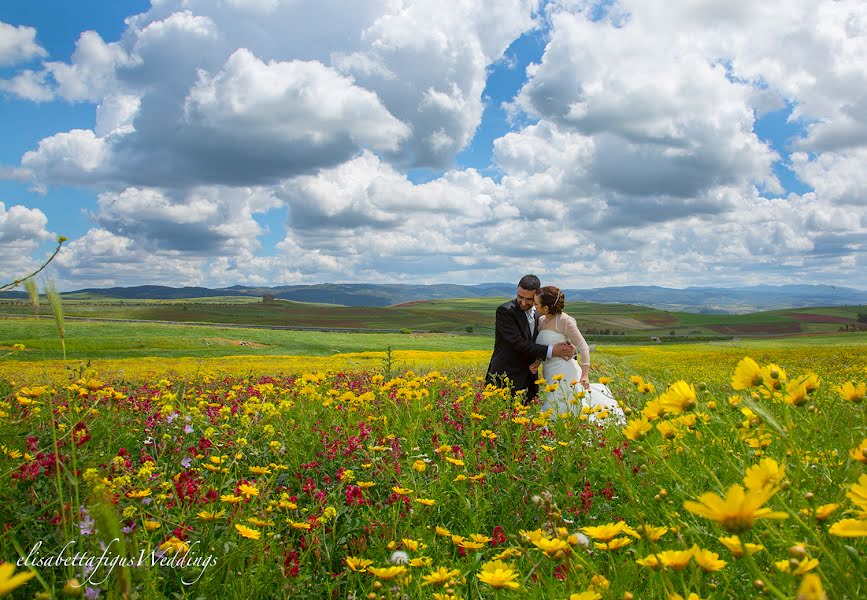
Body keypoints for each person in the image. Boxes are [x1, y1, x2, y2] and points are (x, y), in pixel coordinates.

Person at [485, 275, 576, 401]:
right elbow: (518, 343)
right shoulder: (505, 312)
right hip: (505, 376)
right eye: (520, 297)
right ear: (517, 290)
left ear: (537, 295)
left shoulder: (541, 314)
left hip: (529, 378)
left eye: (528, 299)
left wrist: (569, 350)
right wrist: (552, 351)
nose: (523, 302)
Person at [531, 286, 591, 417]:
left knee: (567, 407)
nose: (533, 306)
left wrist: (585, 375)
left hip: (566, 373)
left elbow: (583, 346)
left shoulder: (564, 321)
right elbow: (545, 346)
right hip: (549, 373)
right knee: (553, 407)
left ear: (546, 308)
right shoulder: (541, 321)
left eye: (536, 303)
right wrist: (537, 362)